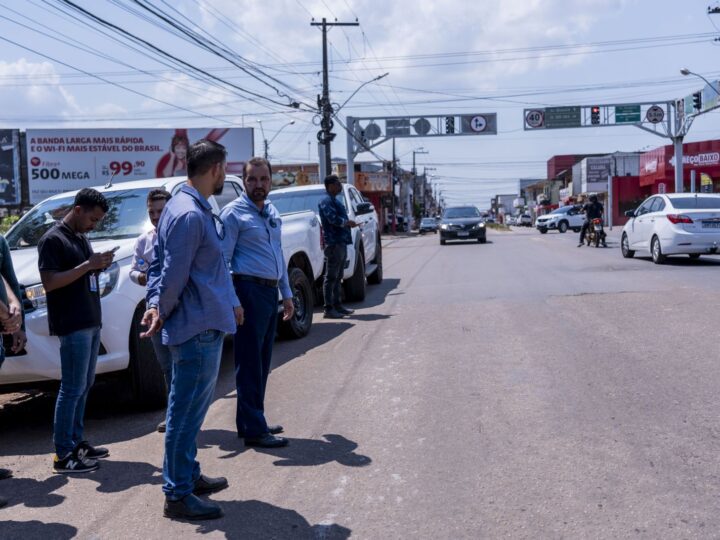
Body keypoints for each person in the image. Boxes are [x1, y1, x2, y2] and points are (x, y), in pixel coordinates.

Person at [142, 139, 242, 521]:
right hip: (195, 327)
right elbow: (172, 274)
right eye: (225, 168)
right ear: (216, 169)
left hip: (203, 320)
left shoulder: (187, 204)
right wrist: (159, 310)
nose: (225, 175)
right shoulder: (188, 213)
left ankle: (188, 474)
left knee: (190, 413)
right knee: (184, 415)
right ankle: (178, 493)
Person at [38, 188, 114, 473]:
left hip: (90, 319)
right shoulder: (52, 240)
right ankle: (63, 454)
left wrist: (99, 265)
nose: (94, 225)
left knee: (84, 384)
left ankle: (76, 441)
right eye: (92, 219)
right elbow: (50, 282)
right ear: (78, 209)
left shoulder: (80, 237)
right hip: (72, 323)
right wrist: (87, 265)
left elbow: (84, 273)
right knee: (71, 388)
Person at [220, 156, 294, 449]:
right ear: (244, 180)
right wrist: (233, 300)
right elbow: (223, 262)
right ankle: (254, 428)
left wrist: (286, 293)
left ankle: (252, 419)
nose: (258, 185)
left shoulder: (272, 210)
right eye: (252, 179)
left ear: (271, 180)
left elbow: (278, 253)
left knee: (262, 362)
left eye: (264, 179)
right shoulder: (233, 214)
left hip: (269, 291)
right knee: (249, 362)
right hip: (247, 291)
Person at [129, 189, 173, 433]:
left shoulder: (182, 238)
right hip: (154, 312)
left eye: (161, 211)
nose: (156, 216)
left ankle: (185, 414)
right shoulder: (144, 241)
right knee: (166, 365)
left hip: (179, 311)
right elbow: (133, 271)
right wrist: (144, 277)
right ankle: (173, 413)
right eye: (152, 212)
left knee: (183, 365)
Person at [318, 174, 358, 319]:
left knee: (338, 276)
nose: (340, 186)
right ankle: (328, 308)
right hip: (333, 243)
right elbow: (332, 219)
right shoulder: (326, 200)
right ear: (330, 185)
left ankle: (338, 305)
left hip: (341, 242)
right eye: (337, 183)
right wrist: (347, 223)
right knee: (331, 276)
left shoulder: (334, 200)